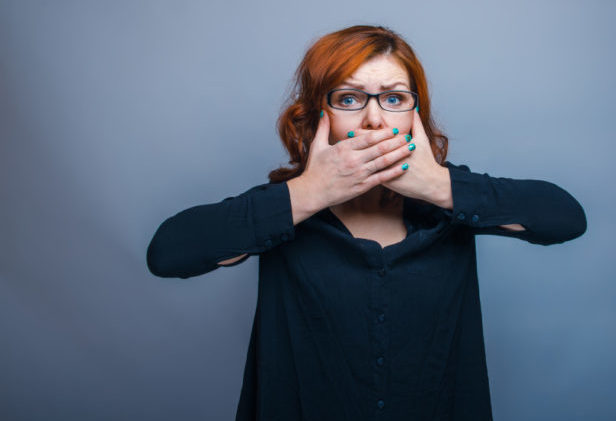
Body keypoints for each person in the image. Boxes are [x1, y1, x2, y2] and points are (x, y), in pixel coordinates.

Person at [146, 25, 586, 421]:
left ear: (415, 113)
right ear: (319, 115)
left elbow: (565, 218)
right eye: (350, 98)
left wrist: (439, 186)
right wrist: (311, 192)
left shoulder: (449, 201)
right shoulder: (282, 209)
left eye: (394, 98)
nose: (374, 119)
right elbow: (169, 253)